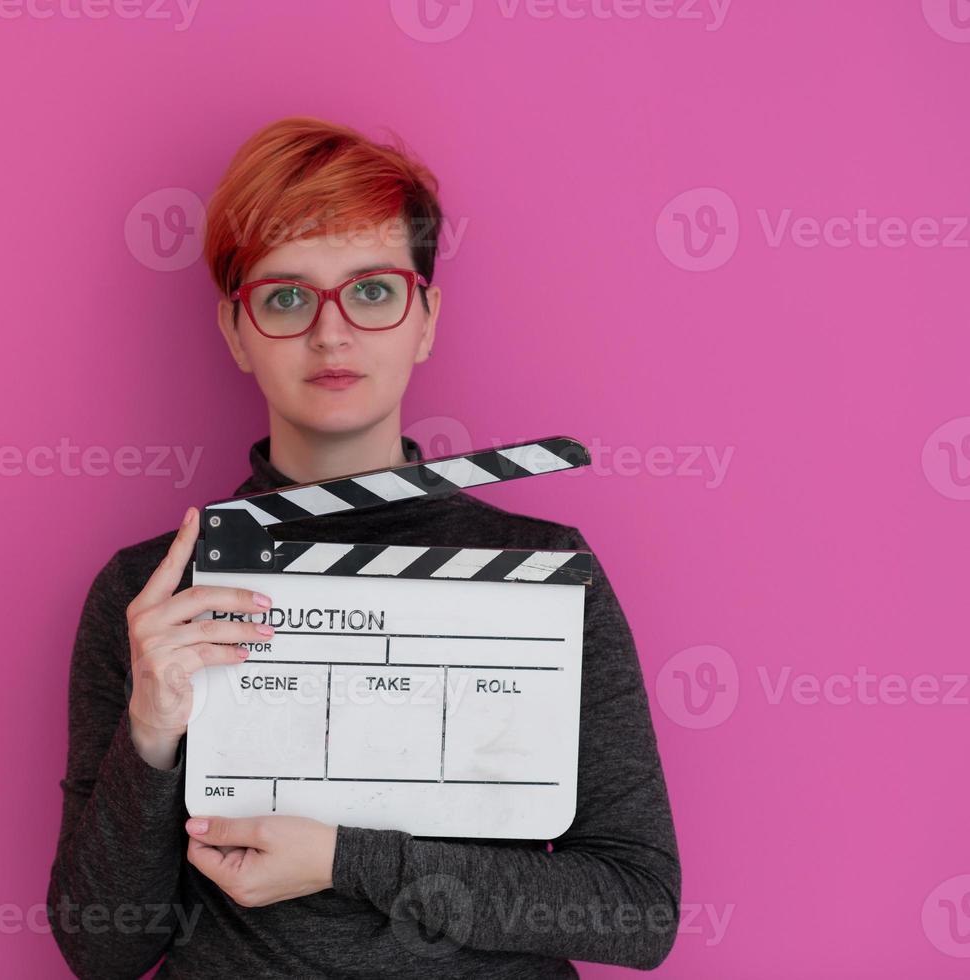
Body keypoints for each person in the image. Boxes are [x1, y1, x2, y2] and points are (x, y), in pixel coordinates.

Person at [48, 116, 681, 978]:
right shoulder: (152, 594)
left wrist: (347, 859)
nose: (331, 334)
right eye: (285, 297)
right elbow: (102, 948)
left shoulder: (542, 579)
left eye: (373, 291)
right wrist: (149, 733)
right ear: (235, 332)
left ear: (425, 318)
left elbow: (635, 908)